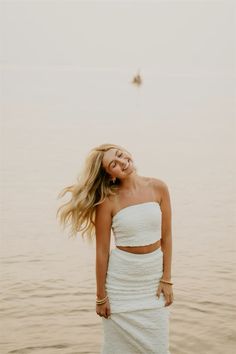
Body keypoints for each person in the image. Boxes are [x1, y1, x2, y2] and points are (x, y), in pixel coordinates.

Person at [56, 143, 173, 354]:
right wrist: (101, 297)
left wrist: (167, 278)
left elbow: (167, 237)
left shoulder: (159, 187)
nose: (122, 162)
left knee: (159, 348)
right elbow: (102, 252)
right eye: (114, 164)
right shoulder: (108, 201)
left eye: (120, 155)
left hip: (153, 283)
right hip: (122, 287)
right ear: (110, 175)